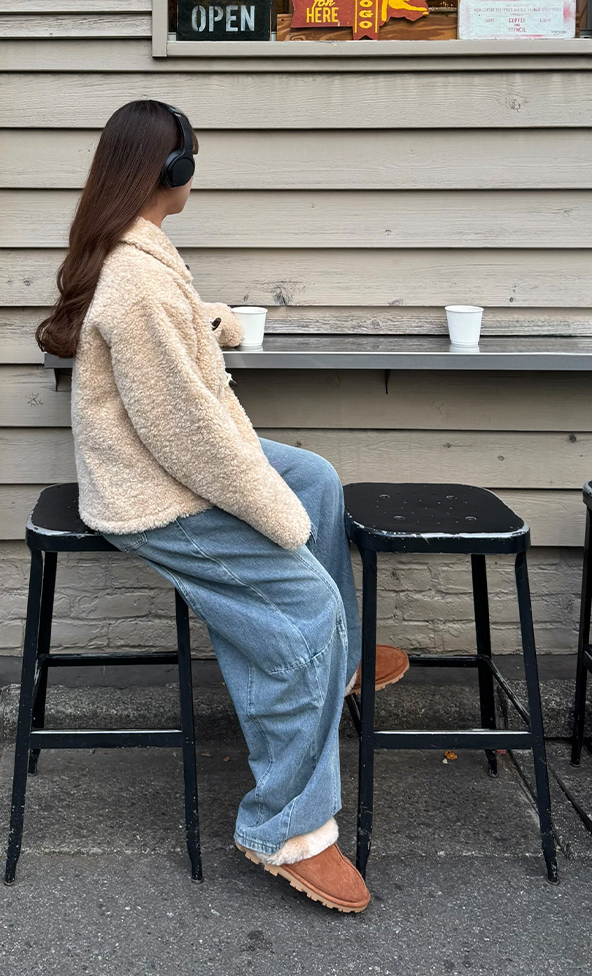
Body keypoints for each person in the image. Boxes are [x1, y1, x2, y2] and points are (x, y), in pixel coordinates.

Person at [36, 99, 408, 914]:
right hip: (153, 491)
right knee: (304, 604)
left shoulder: (137, 251)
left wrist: (215, 323)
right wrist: (276, 521)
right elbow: (190, 437)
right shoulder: (136, 279)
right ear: (172, 171)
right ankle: (288, 829)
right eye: (190, 160)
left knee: (314, 476)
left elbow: (167, 343)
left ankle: (339, 666)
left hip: (163, 461)